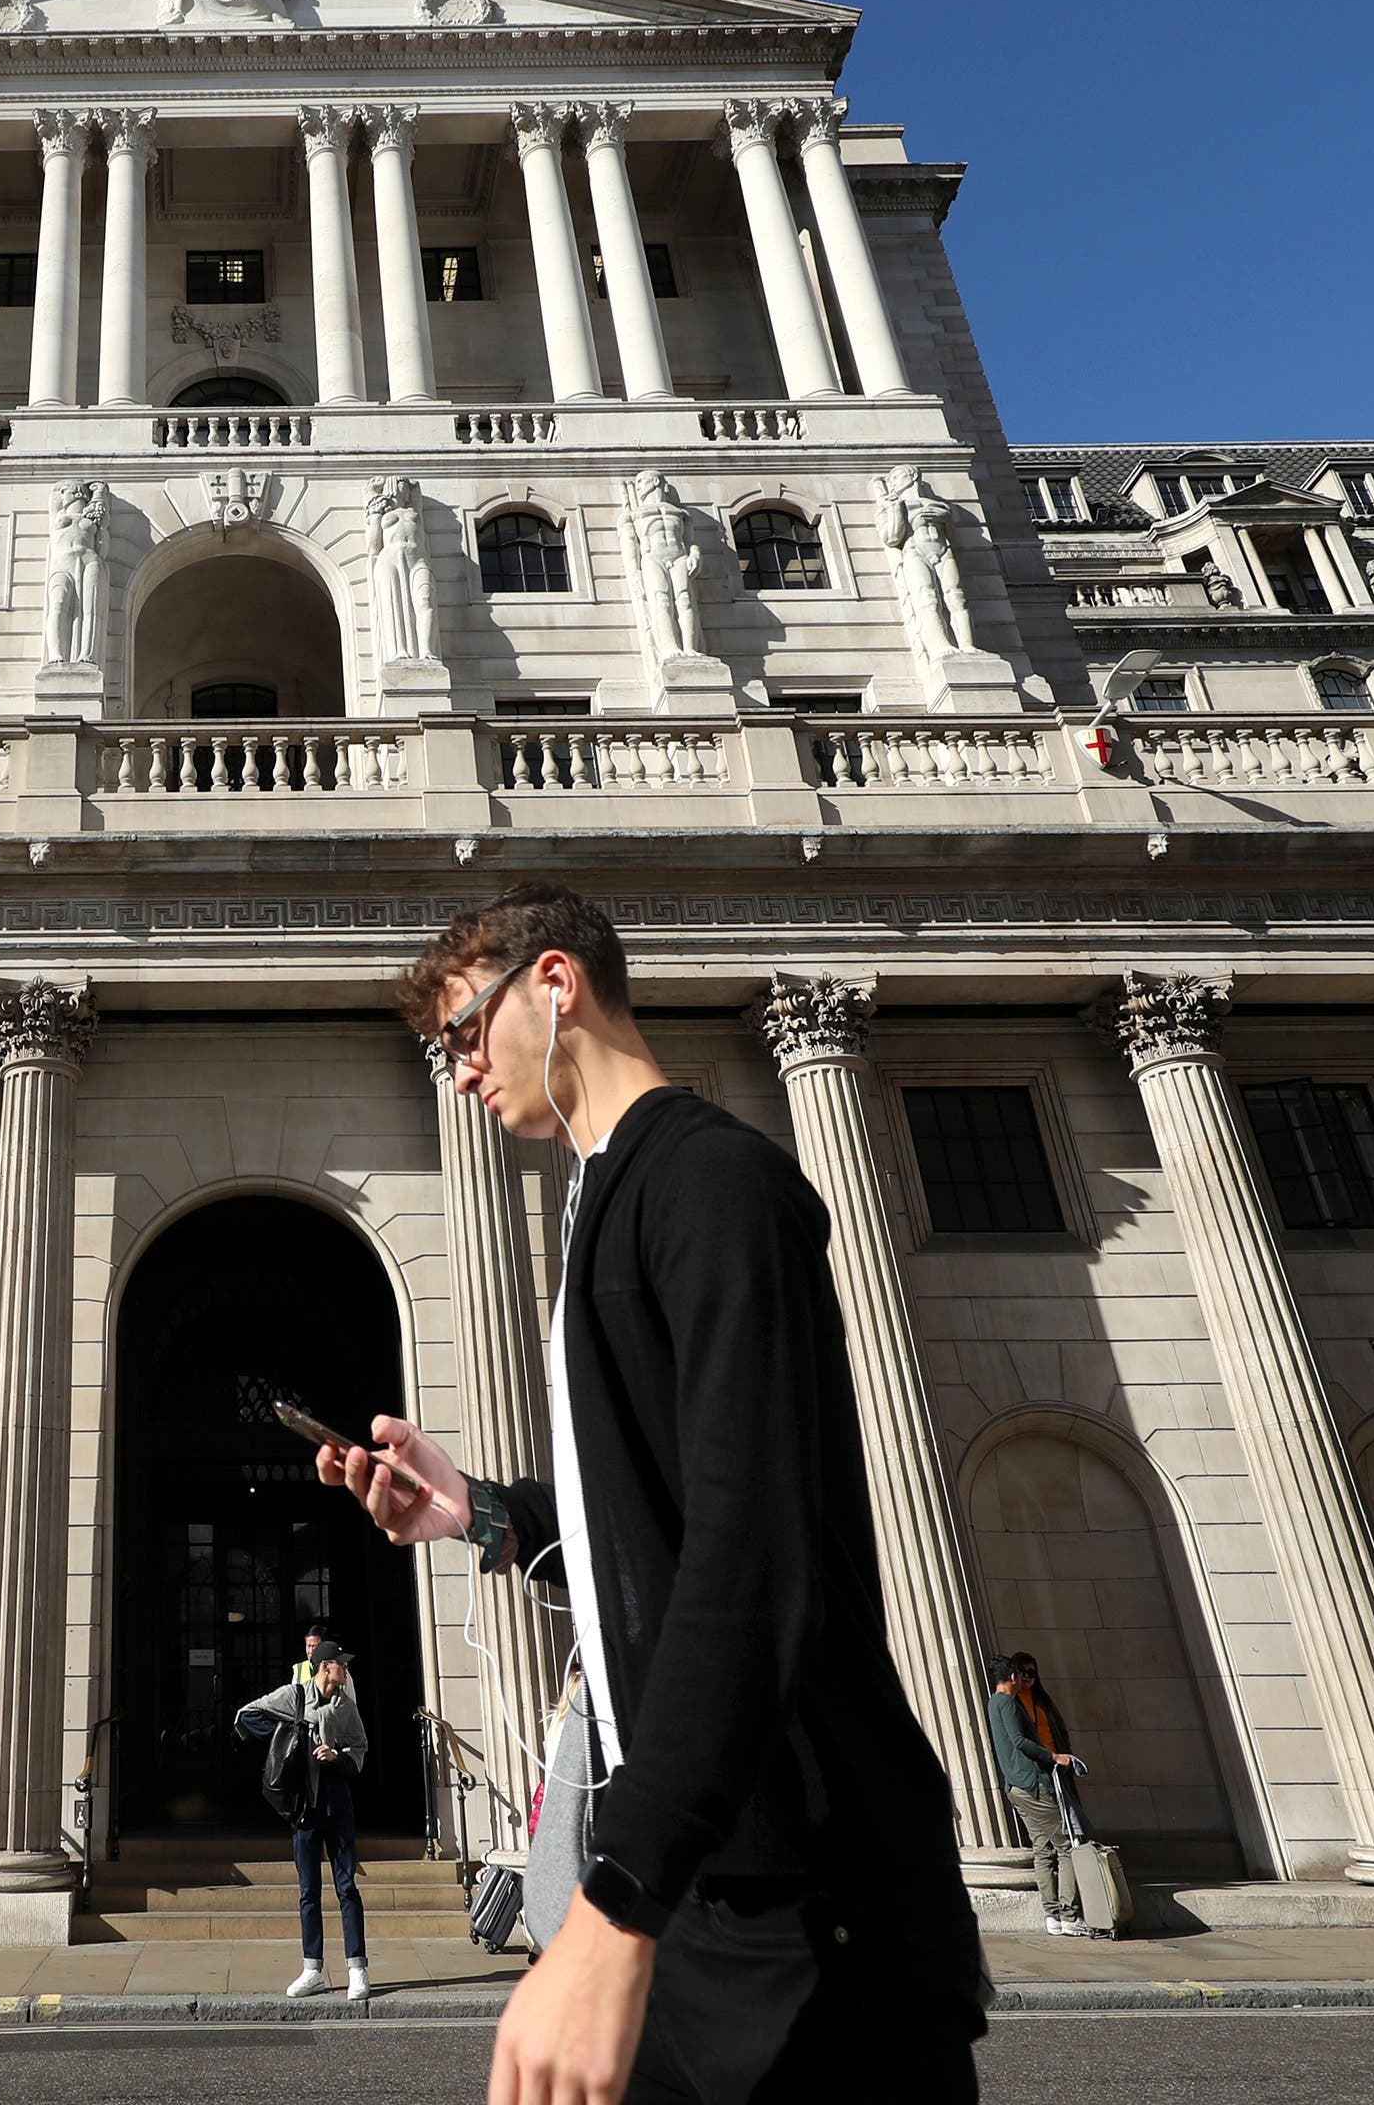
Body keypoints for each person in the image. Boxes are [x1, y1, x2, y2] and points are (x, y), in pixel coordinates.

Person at [329, 882, 989, 2105]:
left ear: (555, 984)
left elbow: (750, 1563)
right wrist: (477, 1510)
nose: (458, 1070)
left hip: (806, 1907)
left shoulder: (713, 1186)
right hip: (705, 1885)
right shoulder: (605, 1200)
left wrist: (612, 1905)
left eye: (463, 1032)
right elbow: (656, 1532)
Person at [242, 1645, 372, 2000]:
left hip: (338, 1805)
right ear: (326, 1666)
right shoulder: (294, 1696)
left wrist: (337, 1756)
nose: (346, 1670)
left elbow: (359, 1749)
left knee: (347, 1888)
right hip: (304, 1807)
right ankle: (311, 1968)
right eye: (342, 1665)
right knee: (308, 1892)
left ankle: (357, 1968)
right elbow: (247, 1715)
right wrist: (290, 1733)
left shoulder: (346, 1706)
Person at [989, 1655, 1087, 1938]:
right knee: (1066, 1845)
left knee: (1042, 1849)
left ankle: (1053, 1915)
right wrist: (1054, 1756)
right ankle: (1068, 1914)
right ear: (1011, 1677)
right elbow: (1019, 1741)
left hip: (1017, 1785)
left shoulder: (995, 1703)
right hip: (1030, 1783)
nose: (1024, 1678)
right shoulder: (1006, 1702)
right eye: (1020, 1674)